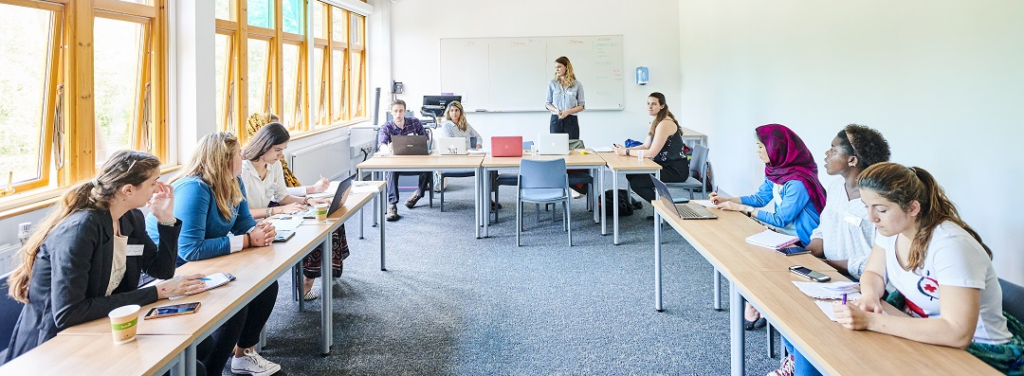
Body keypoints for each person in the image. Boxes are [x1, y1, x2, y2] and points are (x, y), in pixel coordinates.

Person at [3, 151, 209, 374]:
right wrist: (156, 293)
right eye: (153, 182)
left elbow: (162, 270)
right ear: (128, 190)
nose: (159, 188)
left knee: (195, 360)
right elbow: (68, 313)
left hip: (102, 327)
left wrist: (166, 220)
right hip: (54, 345)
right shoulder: (82, 229)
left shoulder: (131, 218)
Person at [829, 163, 1023, 375]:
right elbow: (873, 273)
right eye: (867, 206)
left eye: (881, 209)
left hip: (981, 353)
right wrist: (869, 296)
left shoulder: (951, 246)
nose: (871, 217)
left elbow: (957, 333)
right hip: (922, 328)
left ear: (913, 208)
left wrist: (873, 321)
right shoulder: (891, 230)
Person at [147, 132, 282, 376]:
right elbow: (190, 249)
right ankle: (212, 371)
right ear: (223, 160)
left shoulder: (234, 181)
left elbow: (244, 224)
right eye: (239, 154)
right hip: (170, 271)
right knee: (234, 302)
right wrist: (249, 240)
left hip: (205, 263)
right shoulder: (194, 188)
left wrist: (259, 231)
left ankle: (243, 356)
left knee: (266, 286)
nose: (243, 157)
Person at [768, 124, 891, 376]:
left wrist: (832, 265)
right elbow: (823, 232)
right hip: (831, 273)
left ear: (853, 159)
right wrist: (808, 253)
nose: (826, 153)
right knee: (778, 296)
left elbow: (880, 260)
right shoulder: (836, 188)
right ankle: (794, 359)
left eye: (834, 149)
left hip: (862, 284)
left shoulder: (879, 202)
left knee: (807, 322)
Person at [710, 124, 825, 330]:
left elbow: (780, 219)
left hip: (802, 238)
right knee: (742, 253)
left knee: (752, 257)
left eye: (762, 147)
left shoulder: (798, 181)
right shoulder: (776, 171)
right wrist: (727, 199)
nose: (758, 151)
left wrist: (742, 208)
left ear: (776, 149)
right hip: (780, 234)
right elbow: (761, 197)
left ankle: (758, 303)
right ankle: (756, 302)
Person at [241, 121, 346, 301]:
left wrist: (308, 201)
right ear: (264, 146)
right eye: (277, 150)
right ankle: (306, 282)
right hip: (250, 225)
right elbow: (242, 213)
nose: (281, 155)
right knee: (311, 233)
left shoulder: (274, 165)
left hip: (270, 218)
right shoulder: (243, 170)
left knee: (322, 226)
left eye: (283, 149)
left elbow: (282, 196)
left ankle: (309, 279)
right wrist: (278, 210)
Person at [615, 92, 691, 203]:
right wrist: (624, 150)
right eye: (648, 103)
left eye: (654, 104)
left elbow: (651, 153)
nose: (650, 107)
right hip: (664, 165)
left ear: (662, 106)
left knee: (637, 183)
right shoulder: (656, 121)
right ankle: (661, 208)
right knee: (631, 174)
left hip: (675, 170)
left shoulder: (664, 123)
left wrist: (626, 152)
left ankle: (665, 211)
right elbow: (646, 146)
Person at [378, 99, 432, 221]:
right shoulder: (386, 126)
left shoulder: (414, 122)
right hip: (397, 161)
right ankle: (392, 205)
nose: (398, 114)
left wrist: (418, 143)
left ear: (405, 111)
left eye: (401, 111)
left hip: (415, 159)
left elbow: (426, 139)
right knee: (391, 171)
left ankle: (418, 194)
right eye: (396, 111)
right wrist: (388, 148)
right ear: (391, 112)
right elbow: (381, 145)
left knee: (429, 166)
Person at [545, 56, 585, 140]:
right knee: (556, 147)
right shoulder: (552, 83)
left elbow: (582, 106)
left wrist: (568, 112)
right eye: (555, 67)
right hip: (556, 119)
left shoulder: (577, 84)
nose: (557, 69)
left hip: (571, 120)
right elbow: (548, 103)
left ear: (566, 67)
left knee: (572, 147)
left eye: (559, 67)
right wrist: (556, 110)